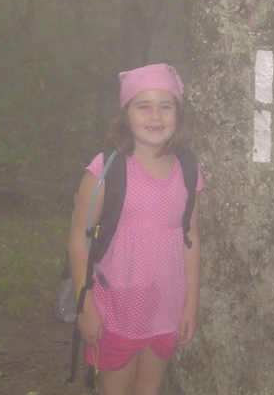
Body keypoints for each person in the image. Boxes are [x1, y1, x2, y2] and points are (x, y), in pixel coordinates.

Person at [68, 63, 203, 395]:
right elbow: (78, 238)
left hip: (166, 309)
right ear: (126, 113)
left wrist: (191, 304)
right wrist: (84, 307)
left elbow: (191, 236)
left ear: (178, 114)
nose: (155, 116)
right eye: (144, 106)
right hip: (114, 309)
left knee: (149, 390)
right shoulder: (105, 169)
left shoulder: (188, 169)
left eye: (165, 106)